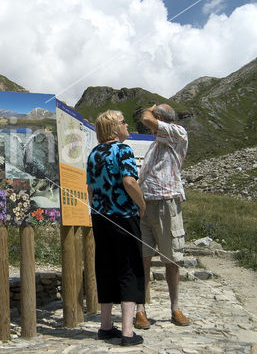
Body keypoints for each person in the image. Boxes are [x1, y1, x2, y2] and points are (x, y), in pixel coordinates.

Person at [86, 110, 146, 346]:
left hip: (101, 217)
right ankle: (128, 332)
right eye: (123, 121)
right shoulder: (123, 150)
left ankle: (106, 326)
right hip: (124, 216)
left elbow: (90, 188)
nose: (126, 124)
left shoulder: (93, 154)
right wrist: (142, 205)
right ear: (114, 128)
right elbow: (129, 181)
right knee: (129, 268)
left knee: (106, 267)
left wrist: (97, 209)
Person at [135, 104, 190, 329]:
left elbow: (146, 118)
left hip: (167, 202)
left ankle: (175, 308)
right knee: (143, 258)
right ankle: (140, 310)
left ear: (160, 119)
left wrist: (150, 109)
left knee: (171, 259)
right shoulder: (156, 144)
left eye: (156, 116)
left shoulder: (178, 133)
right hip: (144, 204)